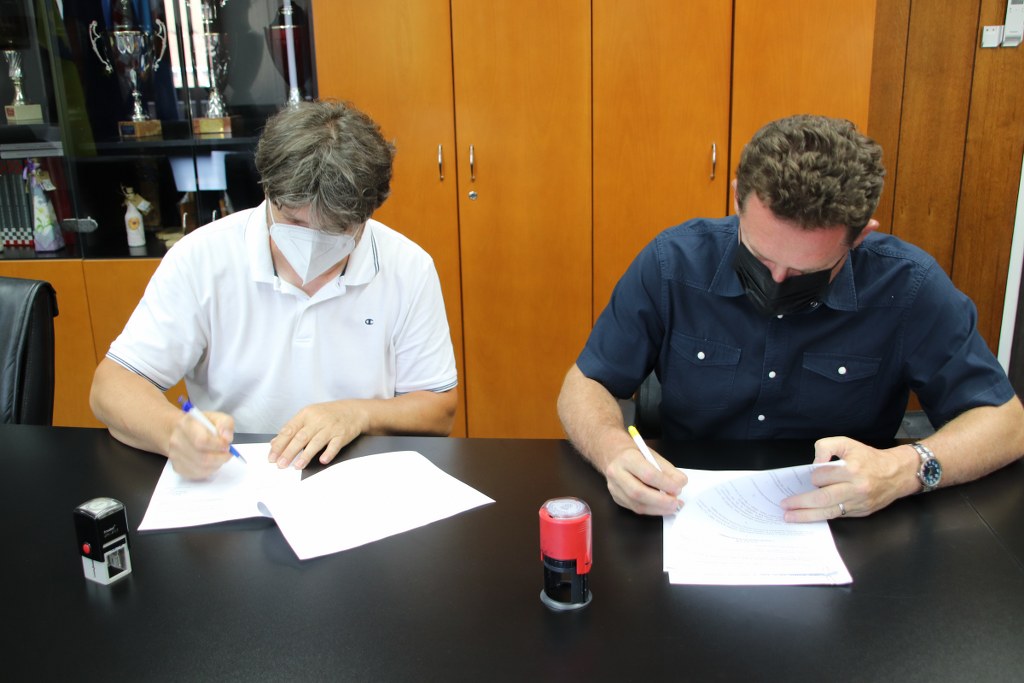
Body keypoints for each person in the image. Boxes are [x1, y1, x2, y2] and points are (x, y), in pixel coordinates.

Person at [557, 114, 1024, 520]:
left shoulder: (907, 286)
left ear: (859, 237)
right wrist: (614, 453)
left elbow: (1007, 423)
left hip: (849, 520)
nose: (777, 280)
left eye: (805, 271)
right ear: (738, 197)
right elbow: (586, 384)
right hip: (684, 509)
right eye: (760, 257)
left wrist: (905, 469)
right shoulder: (673, 263)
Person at [91, 100, 458, 479]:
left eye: (335, 229)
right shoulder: (201, 257)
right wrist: (174, 433)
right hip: (234, 477)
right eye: (293, 221)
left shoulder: (407, 267)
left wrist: (358, 414)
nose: (311, 243)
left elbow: (438, 409)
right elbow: (112, 385)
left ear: (368, 213)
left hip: (356, 477)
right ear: (267, 190)